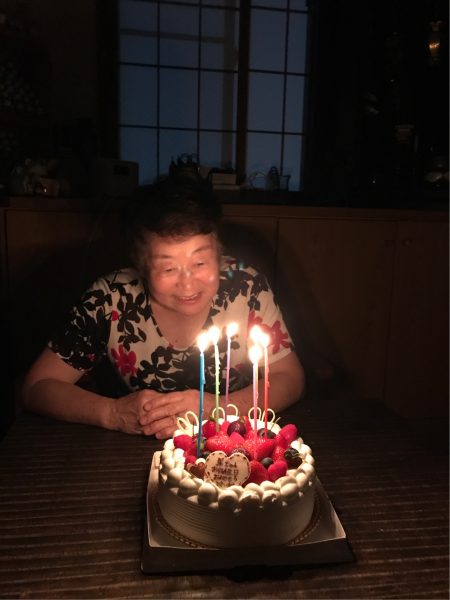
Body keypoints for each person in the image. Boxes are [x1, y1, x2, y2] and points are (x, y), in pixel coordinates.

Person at [22, 178, 305, 439]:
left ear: (219, 252)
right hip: (125, 452)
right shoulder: (110, 299)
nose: (188, 283)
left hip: (229, 449)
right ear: (141, 265)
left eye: (200, 262)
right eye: (168, 268)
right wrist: (112, 413)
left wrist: (217, 407)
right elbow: (37, 386)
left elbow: (290, 377)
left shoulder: (246, 288)